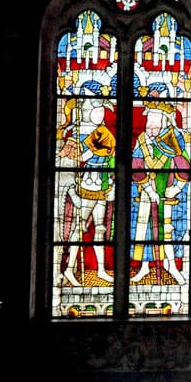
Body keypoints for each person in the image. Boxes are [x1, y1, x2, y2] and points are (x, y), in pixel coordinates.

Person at [131, 84, 190, 284]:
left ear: (165, 123)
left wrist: (176, 189)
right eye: (149, 125)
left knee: (170, 231)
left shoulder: (174, 141)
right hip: (147, 194)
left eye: (156, 126)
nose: (152, 130)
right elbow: (136, 166)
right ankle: (145, 267)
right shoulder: (142, 141)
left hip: (170, 195)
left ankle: (171, 266)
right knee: (145, 230)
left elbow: (184, 167)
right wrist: (148, 188)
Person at [60, 86, 116, 285]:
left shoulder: (104, 133)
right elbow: (77, 158)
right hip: (88, 185)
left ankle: (101, 269)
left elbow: (111, 158)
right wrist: (88, 151)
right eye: (96, 111)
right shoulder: (79, 134)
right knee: (80, 226)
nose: (100, 115)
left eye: (102, 111)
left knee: (100, 228)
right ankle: (69, 269)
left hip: (102, 184)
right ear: (86, 112)